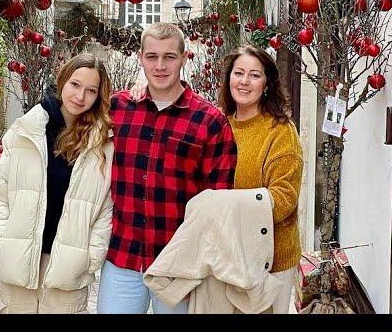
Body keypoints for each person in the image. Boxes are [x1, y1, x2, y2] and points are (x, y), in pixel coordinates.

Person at [97, 22, 237, 314]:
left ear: (183, 58)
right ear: (140, 58)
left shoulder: (210, 121)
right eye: (152, 56)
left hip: (180, 264)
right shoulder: (117, 109)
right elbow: (72, 120)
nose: (160, 66)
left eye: (169, 57)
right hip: (123, 255)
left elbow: (219, 202)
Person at [0, 54, 114, 314]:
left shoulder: (102, 144)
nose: (80, 96)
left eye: (91, 90)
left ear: (98, 96)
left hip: (68, 272)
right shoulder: (26, 131)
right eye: (75, 84)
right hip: (18, 264)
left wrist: (89, 258)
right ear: (62, 81)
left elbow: (105, 209)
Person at [218, 44, 303, 314]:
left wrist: (226, 209)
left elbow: (284, 198)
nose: (244, 81)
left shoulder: (280, 130)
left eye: (254, 75)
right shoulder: (217, 124)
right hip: (226, 254)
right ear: (229, 78)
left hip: (271, 258)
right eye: (238, 73)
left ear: (267, 84)